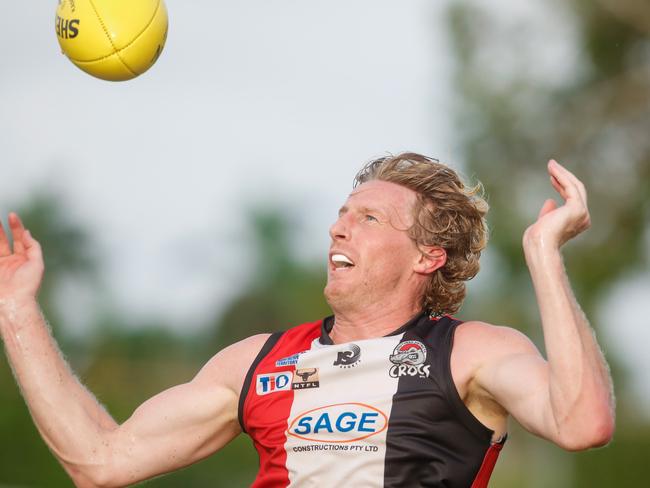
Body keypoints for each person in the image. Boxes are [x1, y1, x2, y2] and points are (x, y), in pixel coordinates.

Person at [0, 153, 614, 487]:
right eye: (343, 213)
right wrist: (16, 310)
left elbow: (582, 422)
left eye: (370, 219)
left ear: (428, 257)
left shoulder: (468, 353)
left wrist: (543, 253)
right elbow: (101, 460)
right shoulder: (258, 361)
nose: (338, 226)